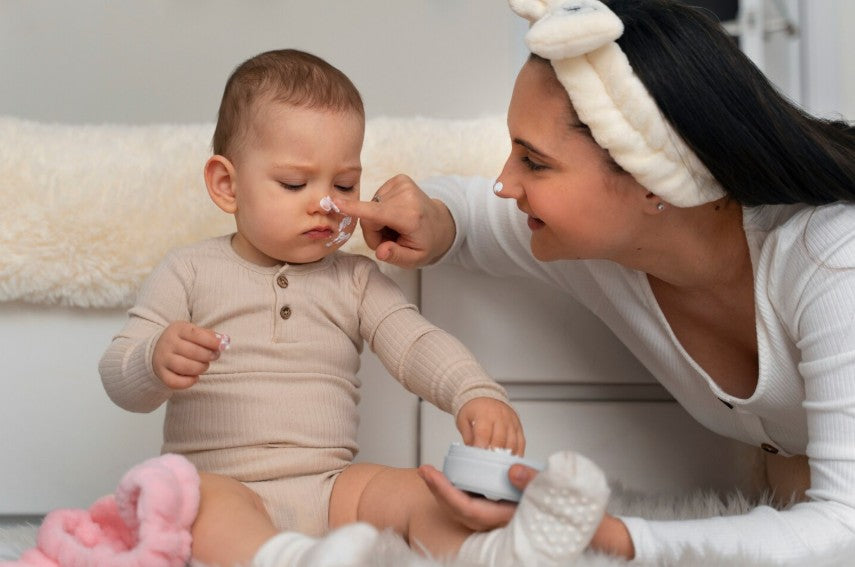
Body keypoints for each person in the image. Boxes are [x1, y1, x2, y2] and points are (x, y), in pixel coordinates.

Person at [332, 0, 855, 563]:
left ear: (654, 179)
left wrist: (609, 537)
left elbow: (844, 526)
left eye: (534, 162)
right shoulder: (600, 249)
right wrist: (434, 221)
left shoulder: (831, 259)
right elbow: (474, 216)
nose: (504, 184)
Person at [99, 48, 613, 567]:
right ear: (227, 185)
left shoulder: (354, 279)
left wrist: (474, 394)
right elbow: (120, 379)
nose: (327, 204)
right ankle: (283, 559)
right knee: (194, 503)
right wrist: (153, 361)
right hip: (227, 482)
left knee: (417, 490)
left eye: (344, 184)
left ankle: (495, 550)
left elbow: (415, 343)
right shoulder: (189, 270)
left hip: (332, 487)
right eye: (296, 184)